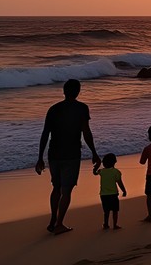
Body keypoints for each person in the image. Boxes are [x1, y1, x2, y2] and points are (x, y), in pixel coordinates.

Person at [35, 78, 100, 234]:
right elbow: (86, 132)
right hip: (71, 154)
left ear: (63, 91)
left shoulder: (53, 109)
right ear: (78, 92)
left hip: (53, 153)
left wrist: (40, 157)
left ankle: (53, 218)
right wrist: (94, 153)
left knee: (56, 187)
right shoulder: (82, 108)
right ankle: (59, 224)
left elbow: (45, 134)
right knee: (67, 190)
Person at [94, 153, 126, 230]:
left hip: (103, 195)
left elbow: (94, 173)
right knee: (115, 210)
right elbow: (119, 183)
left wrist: (95, 167)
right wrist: (124, 191)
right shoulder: (116, 172)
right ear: (114, 162)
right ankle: (115, 225)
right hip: (114, 194)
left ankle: (106, 224)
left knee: (106, 211)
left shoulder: (101, 171)